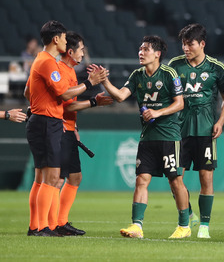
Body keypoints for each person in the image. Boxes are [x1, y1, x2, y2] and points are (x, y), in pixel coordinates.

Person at [99, 35, 191, 239]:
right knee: (141, 180)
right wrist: (104, 81)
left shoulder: (169, 73)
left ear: (157, 54)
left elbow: (180, 103)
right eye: (140, 49)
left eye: (146, 49)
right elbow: (121, 96)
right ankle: (137, 226)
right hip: (147, 137)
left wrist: (158, 112)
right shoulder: (137, 75)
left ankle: (184, 225)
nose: (141, 52)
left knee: (175, 180)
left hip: (169, 137)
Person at [25, 20, 107, 237]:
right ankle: (42, 227)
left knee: (44, 177)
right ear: (56, 40)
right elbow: (64, 96)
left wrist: (38, 100)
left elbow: (28, 92)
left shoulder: (41, 61)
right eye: (62, 37)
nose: (64, 40)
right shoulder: (50, 63)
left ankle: (41, 226)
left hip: (46, 121)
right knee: (51, 178)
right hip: (47, 122)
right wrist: (90, 85)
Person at [168, 23, 224, 239]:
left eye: (190, 44)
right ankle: (189, 213)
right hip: (178, 130)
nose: (185, 48)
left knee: (206, 178)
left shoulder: (216, 68)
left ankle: (204, 228)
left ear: (202, 44)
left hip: (206, 130)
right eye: (183, 43)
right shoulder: (174, 66)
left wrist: (221, 122)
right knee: (174, 178)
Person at [53, 31, 113, 236]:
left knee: (75, 178)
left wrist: (75, 128)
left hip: (68, 130)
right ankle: (50, 224)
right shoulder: (60, 70)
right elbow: (66, 107)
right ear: (70, 51)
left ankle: (60, 222)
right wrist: (94, 101)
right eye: (81, 50)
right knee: (58, 178)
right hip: (58, 130)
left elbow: (69, 107)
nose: (83, 53)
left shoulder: (70, 71)